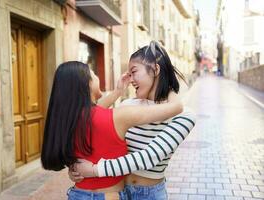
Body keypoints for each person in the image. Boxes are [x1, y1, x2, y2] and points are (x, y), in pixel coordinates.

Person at [41, 60, 187, 200]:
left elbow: (95, 112)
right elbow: (176, 107)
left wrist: (118, 91)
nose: (97, 76)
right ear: (86, 83)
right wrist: (167, 85)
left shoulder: (69, 120)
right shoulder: (119, 116)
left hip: (78, 194)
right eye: (93, 74)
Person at [70, 41, 196, 200]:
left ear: (156, 69)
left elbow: (149, 157)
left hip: (149, 195)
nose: (130, 79)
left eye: (134, 72)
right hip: (119, 191)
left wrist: (94, 170)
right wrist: (117, 92)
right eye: (128, 74)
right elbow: (90, 118)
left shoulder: (184, 115)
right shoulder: (127, 105)